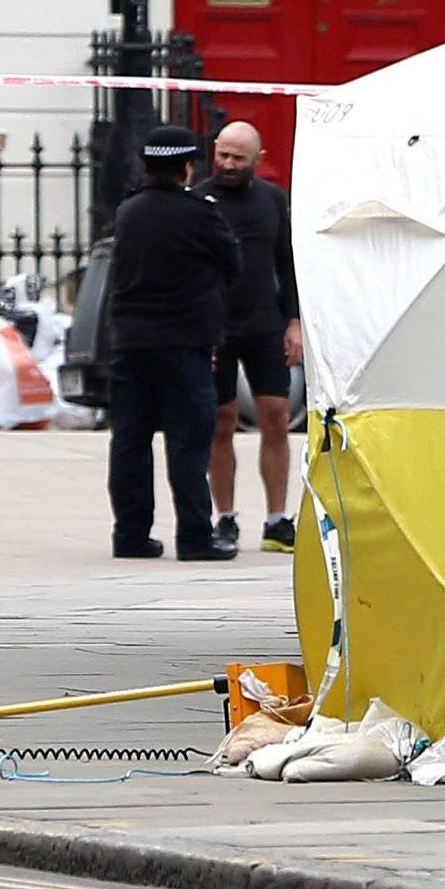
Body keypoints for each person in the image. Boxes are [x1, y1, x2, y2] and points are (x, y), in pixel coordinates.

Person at [105, 121, 240, 562]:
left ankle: (130, 534)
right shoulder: (200, 212)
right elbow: (232, 263)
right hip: (184, 343)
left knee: (130, 439)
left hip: (130, 342)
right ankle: (195, 537)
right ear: (186, 167)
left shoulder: (129, 212)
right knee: (187, 441)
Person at [193, 121, 303, 553]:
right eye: (223, 154)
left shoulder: (272, 200)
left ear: (257, 160)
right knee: (219, 422)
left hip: (264, 324)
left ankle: (277, 520)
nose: (228, 164)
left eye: (238, 157)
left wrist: (295, 322)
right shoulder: (199, 200)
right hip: (217, 326)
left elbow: (289, 264)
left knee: (275, 415)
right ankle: (225, 516)